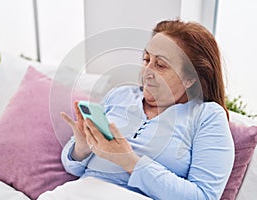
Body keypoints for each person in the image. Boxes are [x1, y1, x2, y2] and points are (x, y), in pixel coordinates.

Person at [60, 19, 234, 200]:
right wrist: (82, 147)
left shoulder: (207, 116)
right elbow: (72, 166)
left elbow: (203, 196)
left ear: (190, 79)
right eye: (146, 59)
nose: (146, 71)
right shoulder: (120, 95)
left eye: (160, 65)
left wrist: (128, 160)